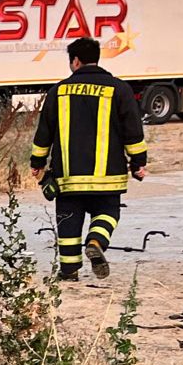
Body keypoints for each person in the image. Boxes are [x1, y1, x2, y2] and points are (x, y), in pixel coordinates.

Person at [30, 36, 147, 280]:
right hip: (108, 176)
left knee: (69, 222)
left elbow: (44, 132)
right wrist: (138, 163)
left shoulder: (58, 91)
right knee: (107, 213)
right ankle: (95, 241)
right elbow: (133, 132)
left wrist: (37, 163)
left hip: (69, 177)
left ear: (75, 61)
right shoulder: (119, 89)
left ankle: (69, 270)